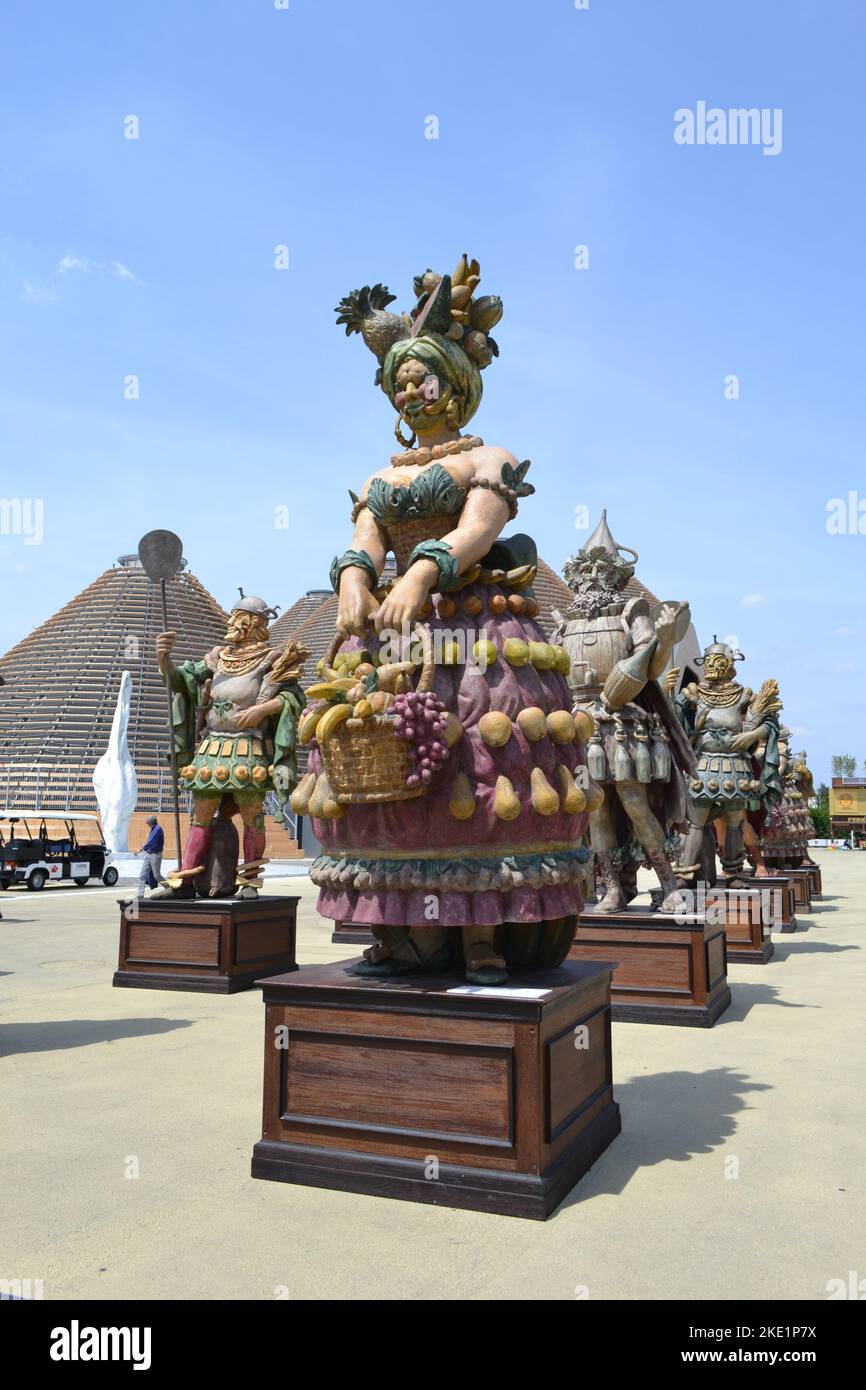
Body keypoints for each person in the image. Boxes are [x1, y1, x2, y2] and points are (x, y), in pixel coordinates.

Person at [303, 256, 595, 984]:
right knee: (380, 767)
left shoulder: (487, 458)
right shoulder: (380, 478)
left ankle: (484, 932)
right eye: (399, 379)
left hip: (476, 629)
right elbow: (364, 537)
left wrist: (427, 570)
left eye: (422, 375)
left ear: (456, 385)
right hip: (393, 634)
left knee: (477, 765)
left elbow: (479, 526)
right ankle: (396, 927)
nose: (410, 389)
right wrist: (352, 580)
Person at [137, 815, 164, 898]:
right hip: (148, 854)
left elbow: (151, 841)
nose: (146, 823)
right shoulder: (153, 829)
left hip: (155, 854)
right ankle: (140, 894)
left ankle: (170, 888)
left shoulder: (158, 829)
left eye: (147, 822)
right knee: (142, 875)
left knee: (157, 875)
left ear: (150, 822)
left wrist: (142, 848)